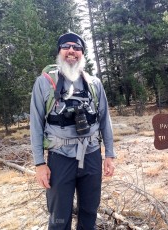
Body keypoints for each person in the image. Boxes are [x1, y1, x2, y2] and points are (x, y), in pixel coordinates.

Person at [30, 32, 116, 230]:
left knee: (89, 212)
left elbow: (105, 120)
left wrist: (109, 154)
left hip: (92, 154)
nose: (71, 51)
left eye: (77, 48)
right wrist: (39, 164)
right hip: (60, 158)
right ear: (59, 52)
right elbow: (35, 125)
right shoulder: (44, 83)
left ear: (82, 53)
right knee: (59, 217)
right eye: (66, 46)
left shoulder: (94, 84)